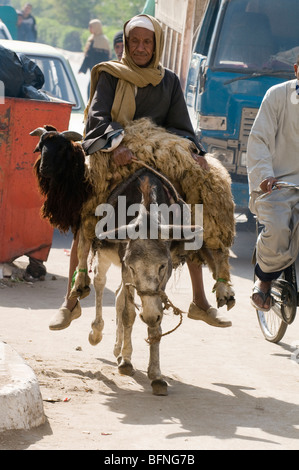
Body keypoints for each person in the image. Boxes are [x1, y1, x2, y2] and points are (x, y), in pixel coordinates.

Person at [49, 14, 232, 331]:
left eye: (147, 41)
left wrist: (194, 152)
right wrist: (115, 144)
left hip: (158, 156)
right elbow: (96, 120)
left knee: (192, 209)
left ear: (156, 44)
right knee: (88, 212)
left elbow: (180, 126)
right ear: (126, 42)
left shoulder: (169, 80)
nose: (140, 47)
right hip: (116, 154)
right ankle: (71, 301)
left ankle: (200, 301)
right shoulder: (110, 75)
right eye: (134, 41)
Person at [247, 54, 299, 311]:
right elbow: (259, 140)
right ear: (297, 70)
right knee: (278, 227)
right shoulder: (277, 96)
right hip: (280, 184)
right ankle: (265, 280)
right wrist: (265, 176)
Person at [79, 19, 111, 96]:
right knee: (90, 90)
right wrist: (82, 68)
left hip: (100, 71)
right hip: (92, 69)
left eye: (91, 27)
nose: (89, 28)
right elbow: (88, 56)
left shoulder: (103, 40)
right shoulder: (92, 38)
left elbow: (106, 58)